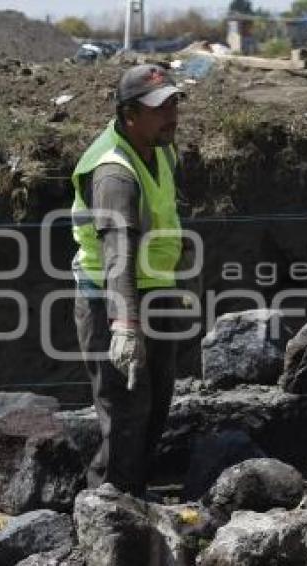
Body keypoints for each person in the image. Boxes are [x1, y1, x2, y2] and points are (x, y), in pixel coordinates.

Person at [70, 64, 184, 497]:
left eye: (174, 102)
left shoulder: (161, 147)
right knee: (125, 412)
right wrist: (125, 327)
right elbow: (117, 255)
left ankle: (134, 497)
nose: (171, 114)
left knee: (155, 404)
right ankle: (109, 504)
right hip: (110, 299)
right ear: (128, 114)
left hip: (155, 289)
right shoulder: (113, 172)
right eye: (159, 108)